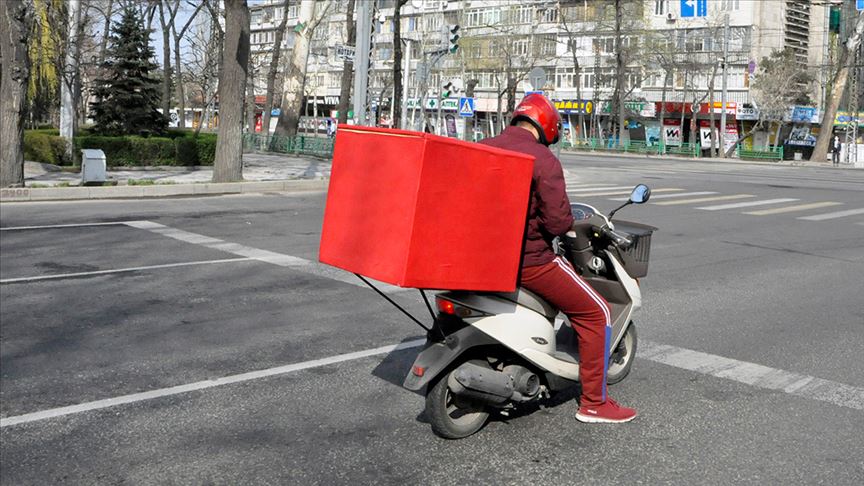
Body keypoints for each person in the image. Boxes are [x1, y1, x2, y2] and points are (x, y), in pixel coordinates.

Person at [480, 93, 637, 424]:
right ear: (548, 127)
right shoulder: (543, 159)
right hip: (529, 262)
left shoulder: (483, 147)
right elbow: (558, 223)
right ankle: (594, 403)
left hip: (479, 258)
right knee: (596, 312)